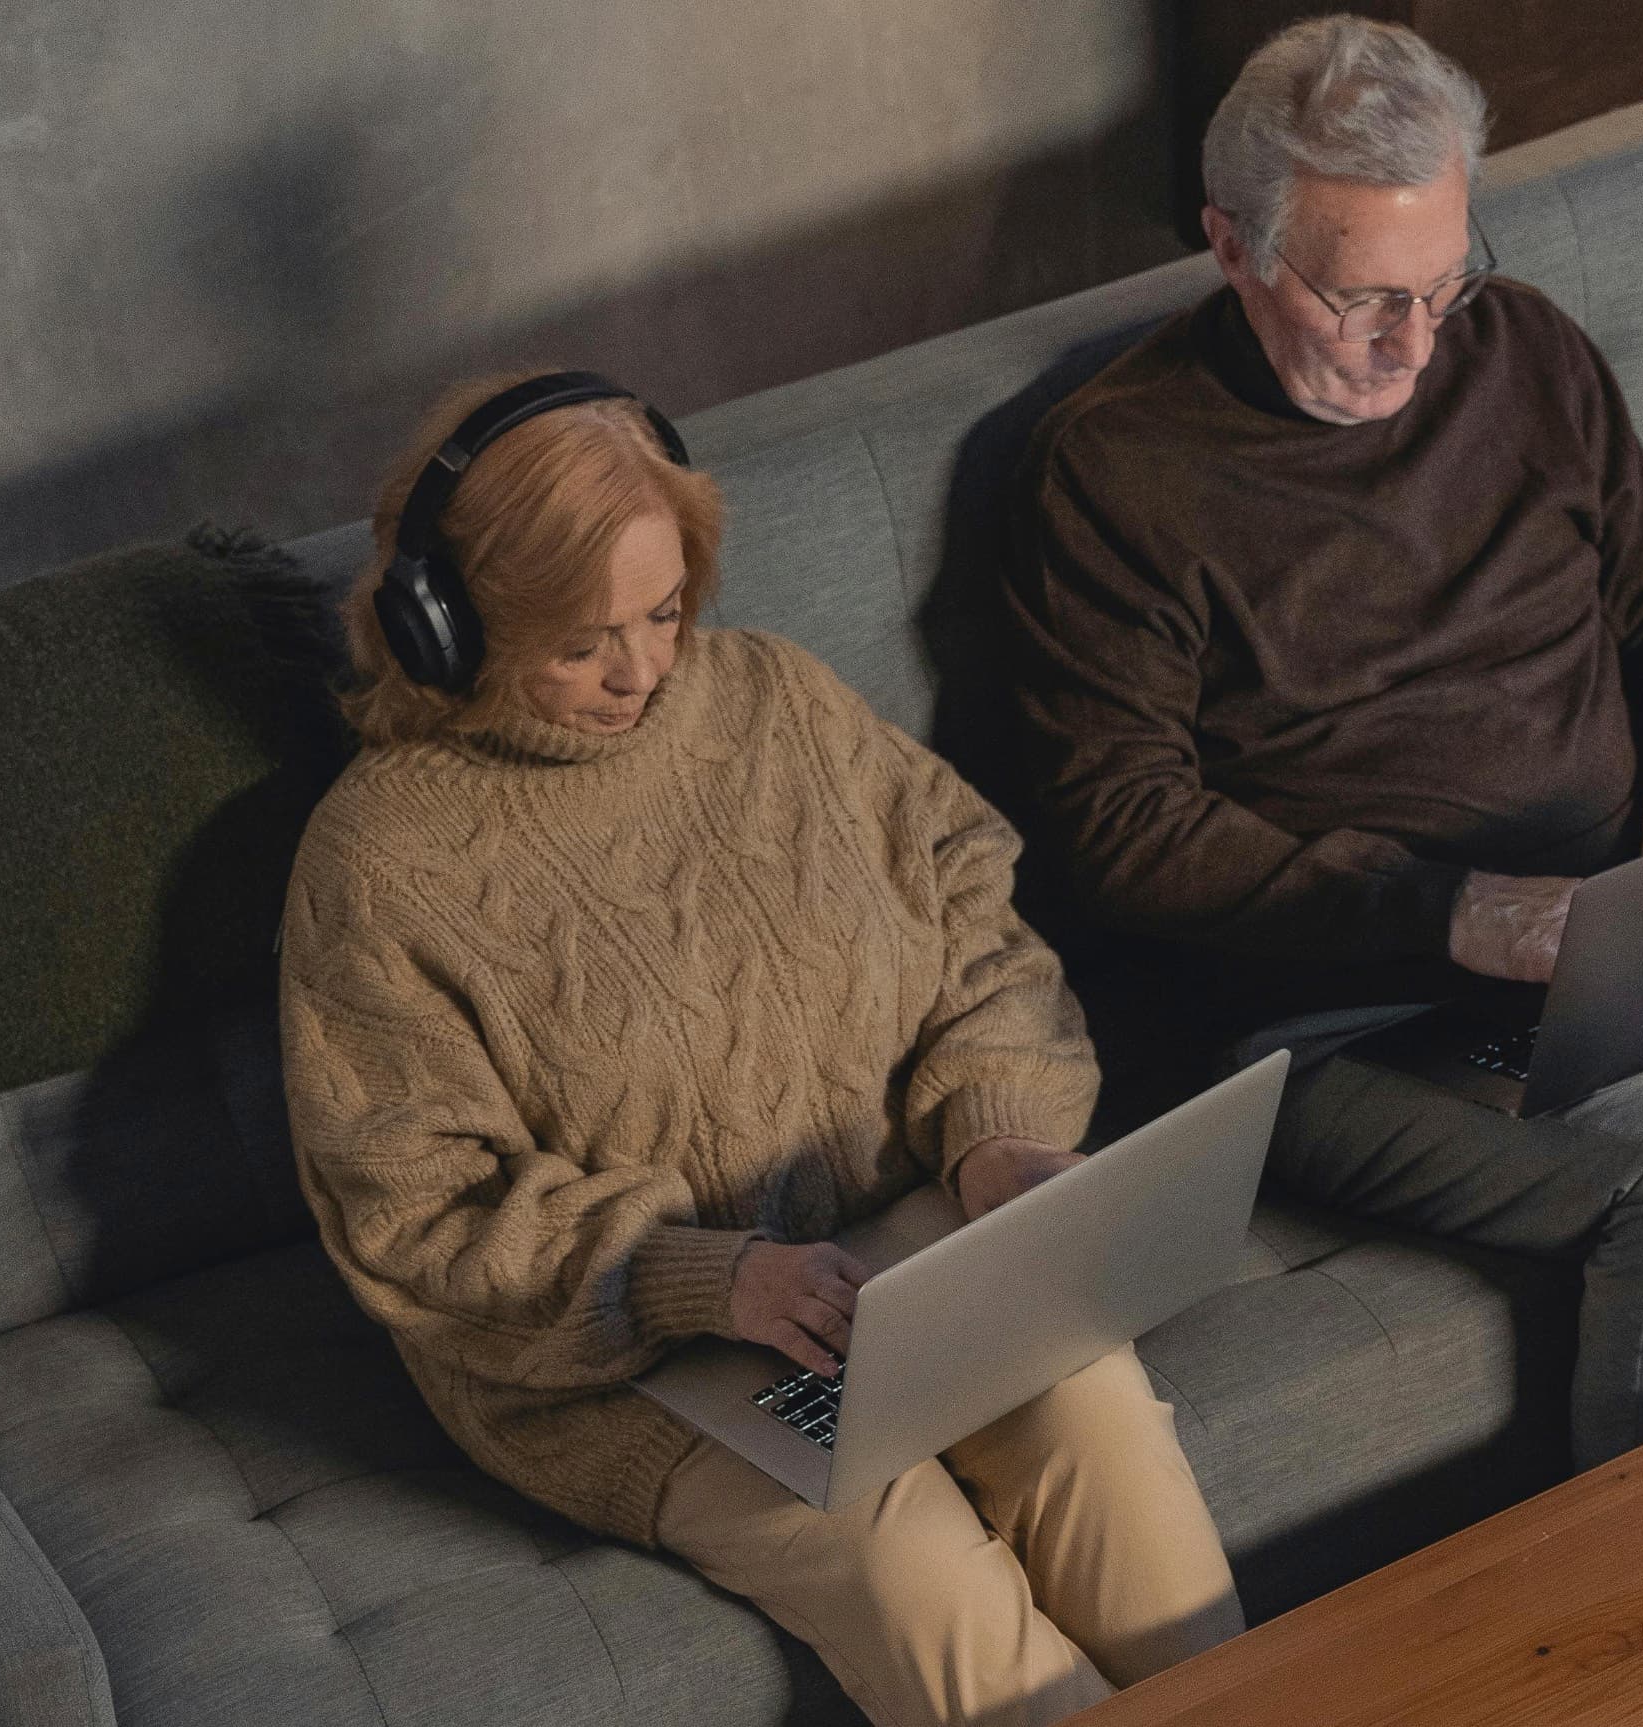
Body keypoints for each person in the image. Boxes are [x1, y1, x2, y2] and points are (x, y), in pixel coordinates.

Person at [1003, 17, 1643, 1469]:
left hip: (1633, 918)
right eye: (1363, 300)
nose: (1417, 348)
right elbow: (1122, 827)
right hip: (1362, 1008)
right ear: (1233, 247)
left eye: (1442, 284)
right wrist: (1455, 914)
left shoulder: (1521, 348)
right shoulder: (1113, 468)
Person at [280, 371, 1242, 1727]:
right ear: (444, 628)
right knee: (906, 1566)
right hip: (630, 1357)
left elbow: (972, 920)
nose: (638, 674)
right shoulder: (380, 862)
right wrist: (695, 1281)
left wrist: (996, 1136)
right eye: (578, 640)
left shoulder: (774, 699)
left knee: (1102, 1423)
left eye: (664, 612)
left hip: (900, 1249)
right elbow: (416, 1213)